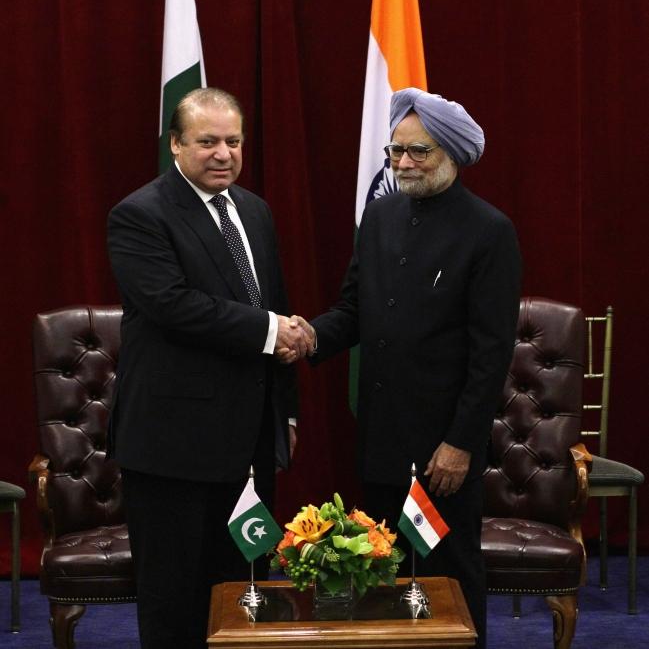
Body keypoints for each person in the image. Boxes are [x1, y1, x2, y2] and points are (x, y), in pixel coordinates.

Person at [285, 88, 521, 649]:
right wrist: (312, 336)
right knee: (381, 577)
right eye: (396, 152)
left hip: (444, 452)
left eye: (420, 152)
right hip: (382, 437)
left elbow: (492, 354)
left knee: (447, 578)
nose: (404, 164)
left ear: (452, 156)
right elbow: (354, 311)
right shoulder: (382, 213)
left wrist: (461, 443)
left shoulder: (489, 231)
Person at [107, 87, 311, 649]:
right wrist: (274, 331)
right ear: (175, 145)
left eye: (234, 141)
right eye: (207, 141)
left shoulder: (255, 210)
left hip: (249, 445)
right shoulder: (140, 214)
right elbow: (173, 306)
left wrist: (285, 410)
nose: (223, 153)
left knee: (246, 588)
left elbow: (275, 301)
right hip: (173, 449)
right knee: (175, 598)